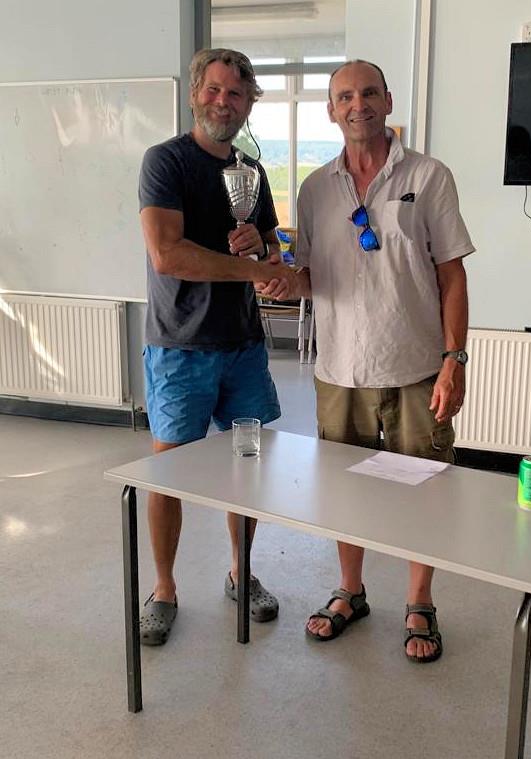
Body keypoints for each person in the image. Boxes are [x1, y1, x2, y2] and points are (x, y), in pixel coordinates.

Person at [258, 60, 474, 663]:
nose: (358, 105)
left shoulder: (428, 176)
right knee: (344, 492)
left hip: (415, 367)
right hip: (339, 372)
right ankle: (351, 592)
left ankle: (419, 601)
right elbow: (313, 279)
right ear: (331, 109)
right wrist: (281, 285)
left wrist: (454, 358)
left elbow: (452, 274)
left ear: (387, 100)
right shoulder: (314, 189)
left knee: (424, 488)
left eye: (369, 93)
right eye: (344, 96)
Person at [138, 48, 296, 646]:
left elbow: (274, 258)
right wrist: (251, 272)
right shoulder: (166, 162)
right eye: (213, 90)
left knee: (246, 472)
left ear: (249, 103)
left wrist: (262, 252)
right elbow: (168, 255)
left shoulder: (251, 174)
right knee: (168, 474)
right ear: (194, 95)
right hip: (179, 345)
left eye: (236, 94)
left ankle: (242, 571)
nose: (223, 102)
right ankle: (164, 587)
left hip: (242, 346)